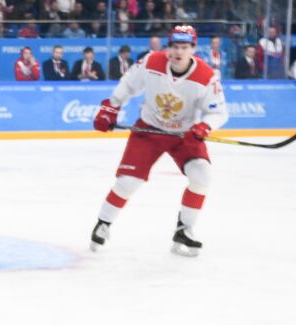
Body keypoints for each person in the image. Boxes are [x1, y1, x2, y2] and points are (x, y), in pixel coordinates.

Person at [90, 24, 227, 256]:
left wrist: (205, 126)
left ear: (193, 49)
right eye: (175, 46)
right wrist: (112, 106)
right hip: (149, 131)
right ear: (169, 47)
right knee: (127, 183)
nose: (178, 52)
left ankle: (184, 230)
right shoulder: (151, 62)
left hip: (184, 135)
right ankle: (103, 224)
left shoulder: (206, 77)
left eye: (184, 47)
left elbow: (219, 112)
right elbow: (128, 84)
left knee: (202, 175)